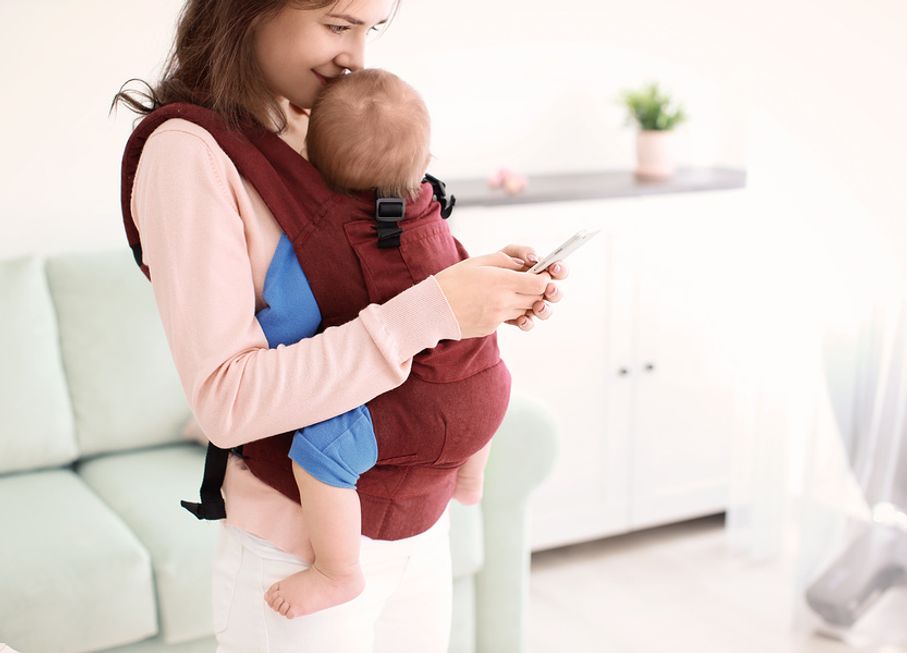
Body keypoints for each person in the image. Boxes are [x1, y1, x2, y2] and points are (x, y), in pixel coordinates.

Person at [112, 1, 570, 650]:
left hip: (419, 528)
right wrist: (435, 310)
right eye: (336, 24)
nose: (356, 54)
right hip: (297, 553)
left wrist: (482, 292)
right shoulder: (190, 153)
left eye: (370, 29)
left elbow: (377, 287)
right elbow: (227, 400)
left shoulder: (332, 118)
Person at [256, 67, 500, 620]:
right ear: (427, 163)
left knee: (319, 452)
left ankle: (336, 572)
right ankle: (471, 474)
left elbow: (283, 326)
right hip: (487, 399)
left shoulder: (315, 243)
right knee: (480, 367)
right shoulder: (437, 220)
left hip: (414, 414)